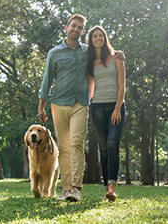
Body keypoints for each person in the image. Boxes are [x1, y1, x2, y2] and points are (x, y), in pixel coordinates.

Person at [38, 14, 125, 202]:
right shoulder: (54, 53)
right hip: (58, 104)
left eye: (80, 27)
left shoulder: (87, 51)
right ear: (66, 27)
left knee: (77, 143)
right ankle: (66, 189)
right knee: (63, 147)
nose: (76, 29)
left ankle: (76, 189)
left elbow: (105, 56)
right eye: (74, 26)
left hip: (81, 104)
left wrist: (118, 54)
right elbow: (46, 81)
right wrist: (41, 107)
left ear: (82, 31)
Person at [87, 25, 126, 202]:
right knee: (103, 148)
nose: (98, 38)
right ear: (91, 40)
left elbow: (122, 85)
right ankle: (106, 189)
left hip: (115, 106)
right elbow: (89, 88)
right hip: (97, 108)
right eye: (94, 36)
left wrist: (118, 107)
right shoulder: (90, 62)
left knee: (112, 144)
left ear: (105, 38)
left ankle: (112, 186)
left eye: (100, 35)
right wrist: (86, 106)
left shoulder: (116, 57)